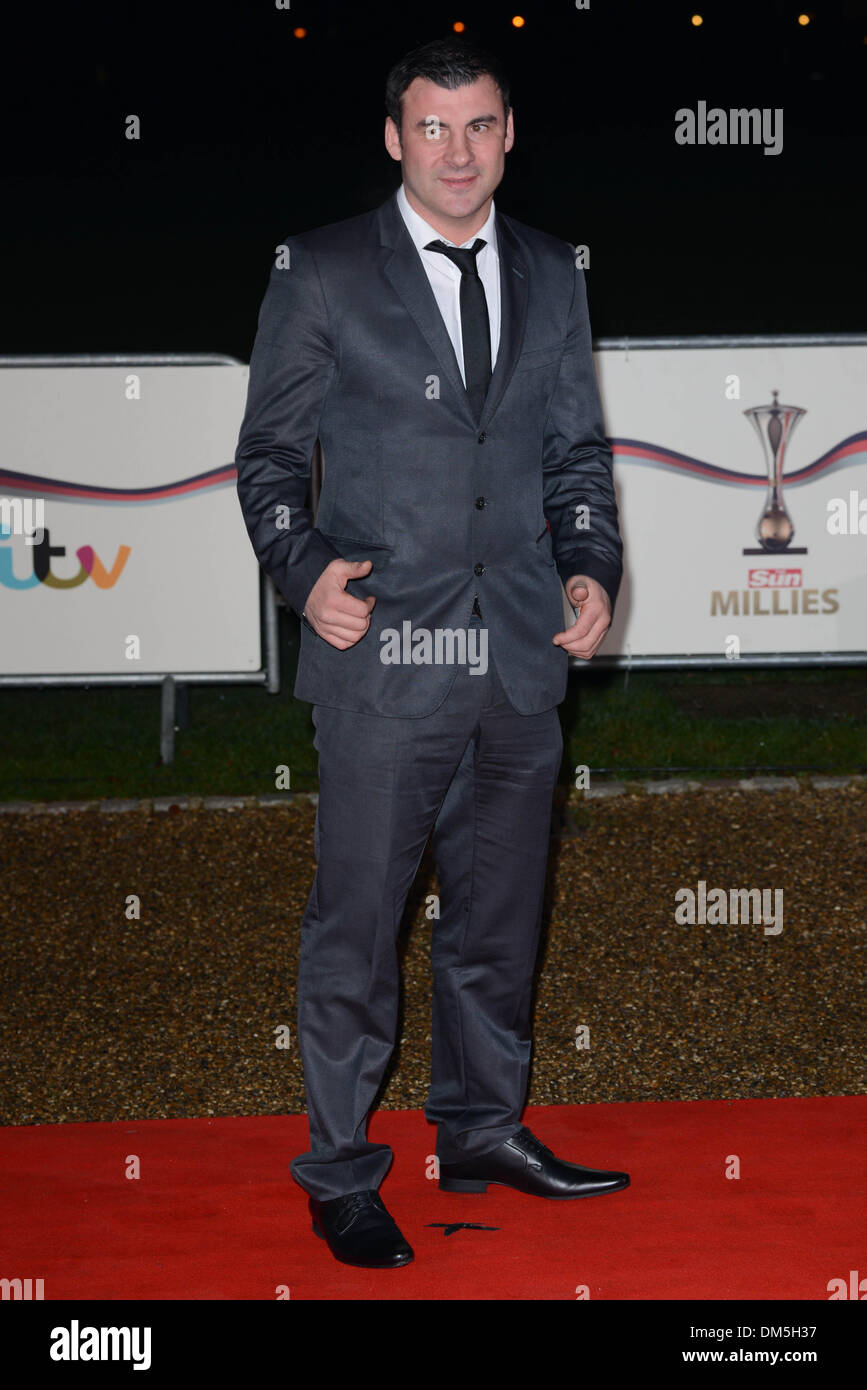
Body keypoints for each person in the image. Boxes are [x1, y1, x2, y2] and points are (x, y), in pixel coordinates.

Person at [235, 35, 629, 1271]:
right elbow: (266, 459)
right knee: (358, 928)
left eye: (480, 126)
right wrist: (303, 577)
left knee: (500, 923)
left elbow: (576, 455)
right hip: (384, 660)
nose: (458, 152)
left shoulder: (555, 273)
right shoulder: (324, 271)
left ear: (510, 132)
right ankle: (343, 1173)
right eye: (432, 128)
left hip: (518, 653)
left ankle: (480, 1130)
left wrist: (589, 565)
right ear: (395, 138)